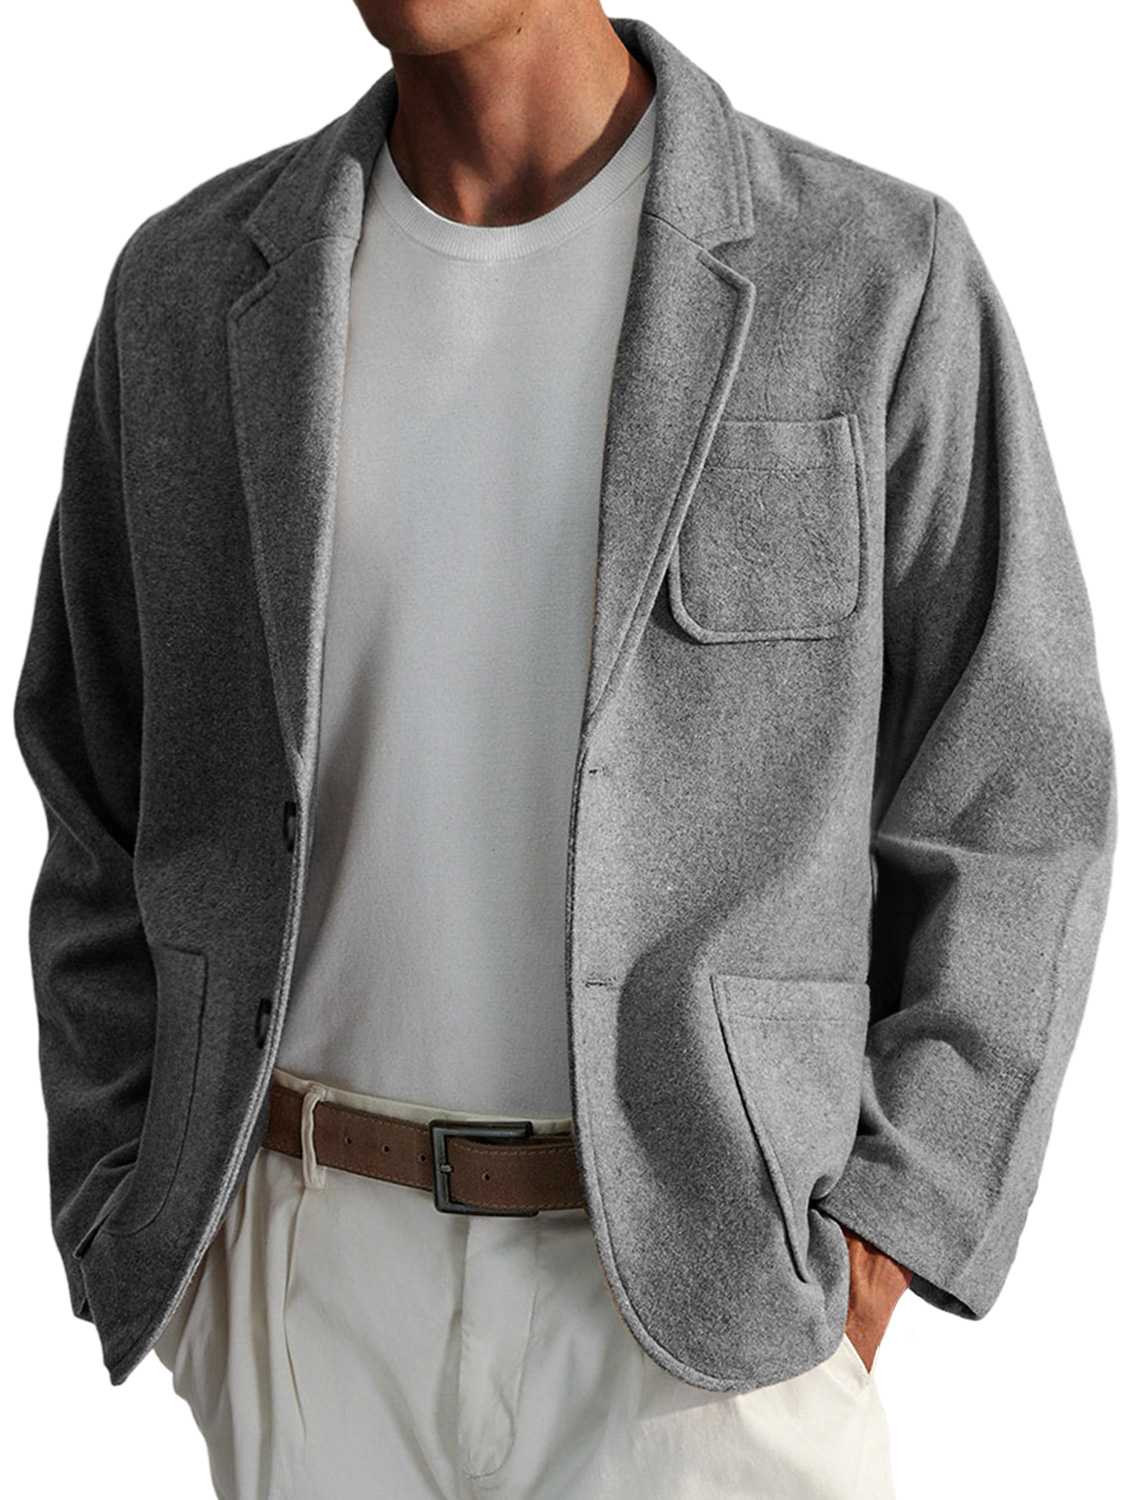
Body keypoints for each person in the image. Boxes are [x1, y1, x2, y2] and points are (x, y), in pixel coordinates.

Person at [12, 4, 1115, 1498]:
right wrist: (125, 1199)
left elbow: (1015, 789)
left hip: (711, 1318)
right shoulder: (188, 291)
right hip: (308, 1282)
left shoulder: (872, 274)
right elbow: (95, 775)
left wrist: (893, 1225)